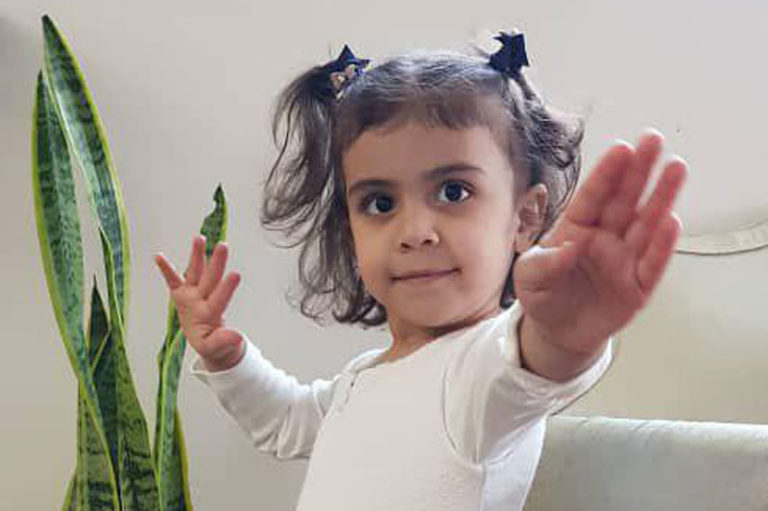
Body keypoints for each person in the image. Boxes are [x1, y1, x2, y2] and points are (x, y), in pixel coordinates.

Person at [154, 31, 687, 511]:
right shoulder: (363, 377)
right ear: (351, 231)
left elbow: (532, 368)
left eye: (453, 191)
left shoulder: (479, 371)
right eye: (380, 203)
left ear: (524, 218)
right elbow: (288, 423)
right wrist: (227, 360)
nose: (414, 231)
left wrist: (564, 332)